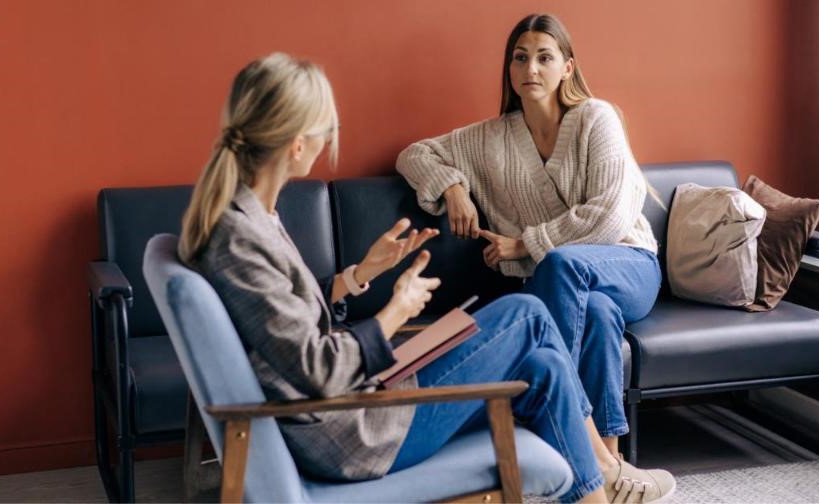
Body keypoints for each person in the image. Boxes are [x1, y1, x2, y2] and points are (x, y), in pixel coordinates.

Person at [178, 53, 673, 503]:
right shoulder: (238, 237)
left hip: (357, 402)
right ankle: (607, 472)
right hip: (353, 433)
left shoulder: (250, 217)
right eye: (327, 128)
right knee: (528, 314)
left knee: (542, 364)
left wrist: (362, 273)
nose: (331, 139)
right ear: (296, 142)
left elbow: (286, 320)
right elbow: (316, 367)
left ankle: (597, 487)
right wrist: (397, 310)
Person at [396, 13, 663, 495]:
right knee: (597, 314)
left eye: (545, 57)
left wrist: (524, 244)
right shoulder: (491, 138)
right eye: (521, 58)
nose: (531, 69)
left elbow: (610, 216)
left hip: (629, 263)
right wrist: (453, 187)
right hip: (573, 284)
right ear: (510, 69)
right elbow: (414, 154)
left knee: (562, 265)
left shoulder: (596, 118)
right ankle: (610, 464)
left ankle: (577, 450)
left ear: (567, 67)